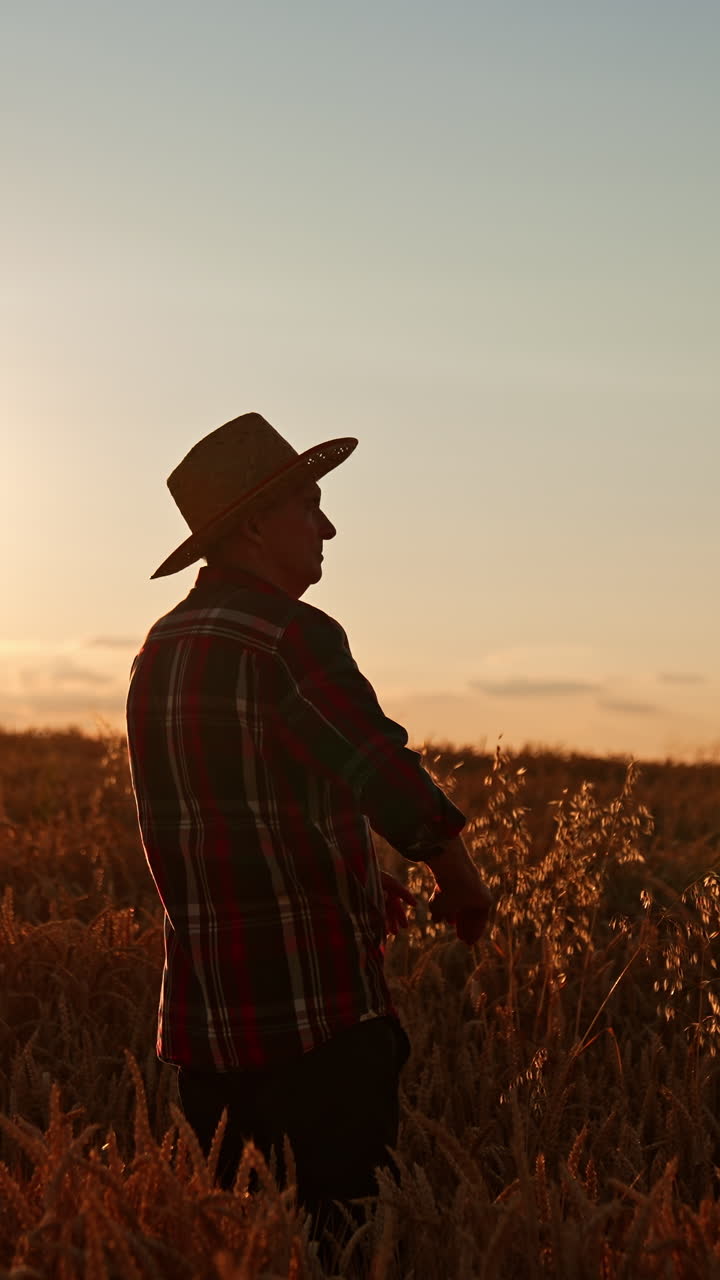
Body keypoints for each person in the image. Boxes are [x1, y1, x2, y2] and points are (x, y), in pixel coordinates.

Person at [125, 411, 492, 1251]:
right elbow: (384, 776)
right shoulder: (292, 636)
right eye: (311, 505)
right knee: (346, 1247)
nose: (328, 526)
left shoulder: (161, 649)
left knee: (240, 1256)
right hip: (317, 1028)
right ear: (255, 524)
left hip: (204, 1035)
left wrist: (362, 881)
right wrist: (461, 881)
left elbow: (226, 817)